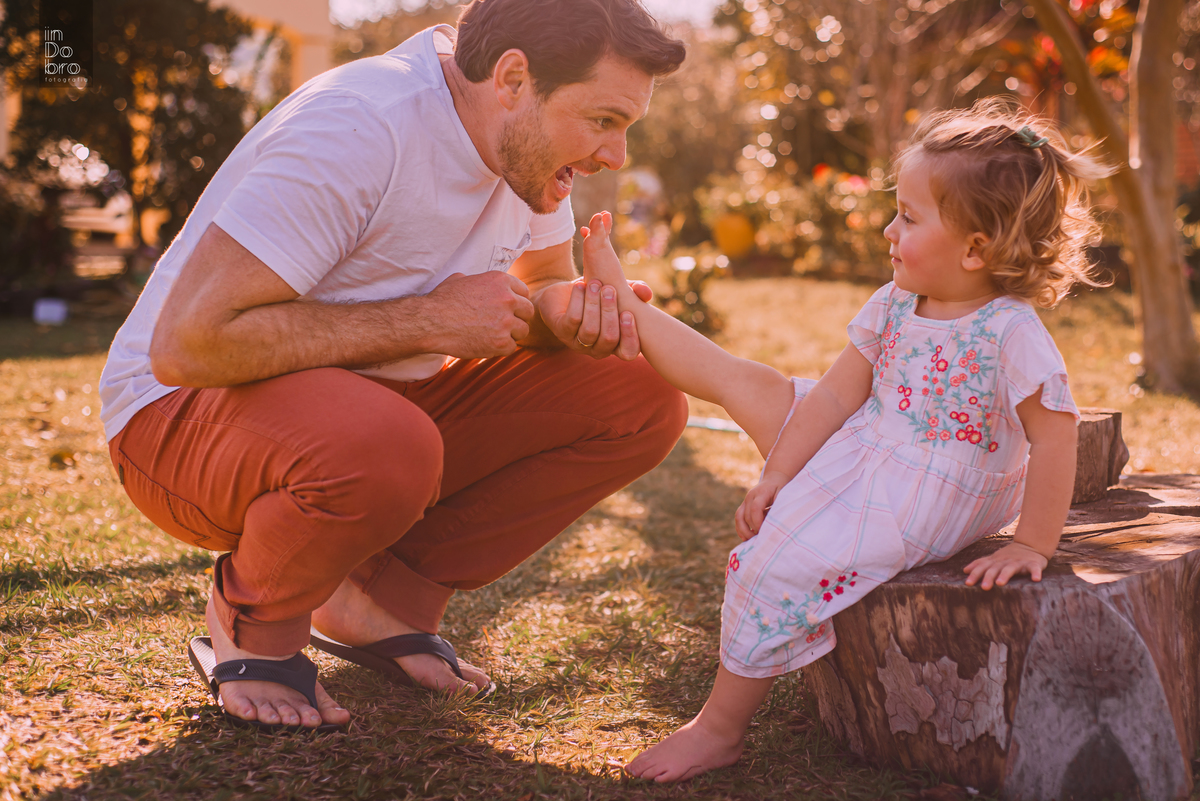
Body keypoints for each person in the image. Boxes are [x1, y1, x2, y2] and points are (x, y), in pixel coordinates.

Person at [98, 0, 688, 732]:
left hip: (365, 416)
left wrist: (563, 314)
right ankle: (253, 615)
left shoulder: (528, 153)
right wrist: (429, 320)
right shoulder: (360, 126)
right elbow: (188, 343)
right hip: (175, 415)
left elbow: (537, 285)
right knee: (389, 445)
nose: (616, 156)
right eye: (603, 120)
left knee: (639, 391)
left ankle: (373, 600)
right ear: (512, 78)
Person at [577, 99, 1110, 781]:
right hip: (878, 439)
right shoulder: (893, 303)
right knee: (757, 385)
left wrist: (1032, 542)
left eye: (909, 217)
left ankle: (719, 728)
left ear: (975, 249)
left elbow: (1055, 435)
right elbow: (832, 395)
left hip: (928, 487)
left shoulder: (1009, 331)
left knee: (775, 560)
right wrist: (775, 475)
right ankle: (628, 306)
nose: (889, 229)